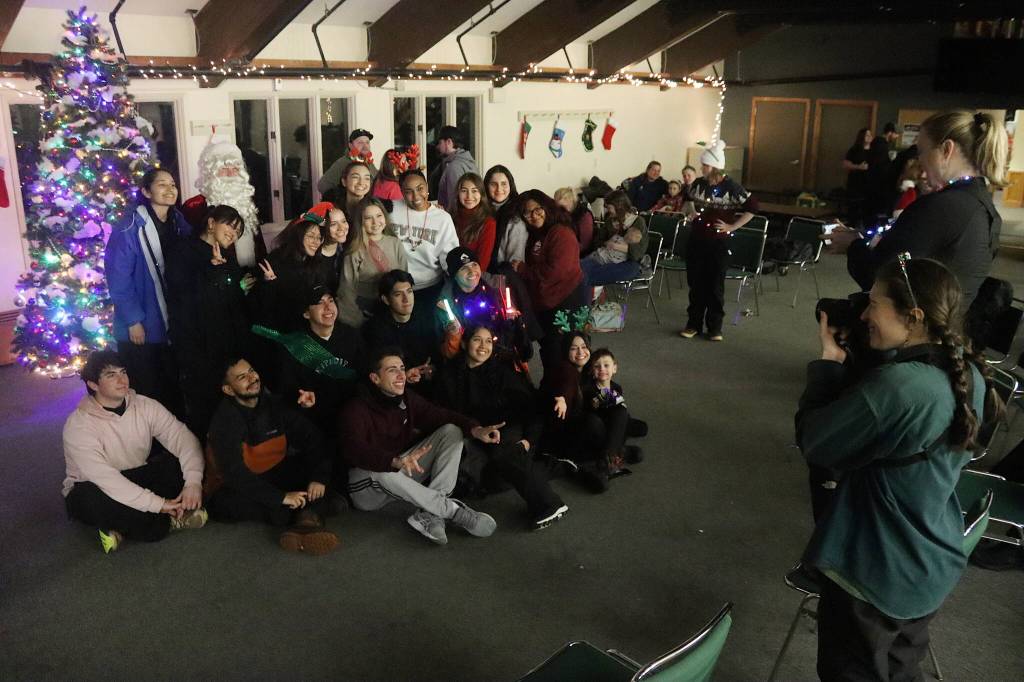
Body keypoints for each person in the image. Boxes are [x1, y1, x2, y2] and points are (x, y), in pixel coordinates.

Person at [796, 256, 994, 680]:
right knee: (901, 671)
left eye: (874, 304)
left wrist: (829, 364)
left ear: (913, 315)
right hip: (927, 562)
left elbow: (815, 442)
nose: (865, 313)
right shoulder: (966, 370)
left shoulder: (900, 386)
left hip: (873, 571)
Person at [832, 110, 1007, 307]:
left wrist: (852, 244)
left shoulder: (941, 207)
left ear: (946, 150)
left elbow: (879, 276)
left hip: (917, 329)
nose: (920, 160)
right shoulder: (981, 204)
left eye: (922, 151)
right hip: (949, 326)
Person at [339, 347, 501, 545]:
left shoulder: (406, 398)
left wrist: (475, 429)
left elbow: (440, 415)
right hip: (367, 489)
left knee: (452, 431)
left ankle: (429, 514)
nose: (401, 375)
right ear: (375, 378)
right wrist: (393, 461)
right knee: (381, 471)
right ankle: (451, 510)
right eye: (392, 370)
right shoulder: (356, 408)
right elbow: (353, 450)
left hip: (401, 468)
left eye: (401, 368)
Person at [62, 351, 206, 554]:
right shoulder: (78, 425)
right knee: (94, 502)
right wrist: (158, 504)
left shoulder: (145, 405)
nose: (122, 380)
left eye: (123, 372)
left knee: (185, 466)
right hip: (92, 486)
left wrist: (193, 482)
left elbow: (182, 438)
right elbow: (106, 478)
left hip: (135, 473)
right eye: (111, 375)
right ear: (93, 385)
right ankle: (167, 520)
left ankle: (122, 528)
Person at [435, 324, 568, 529]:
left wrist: (529, 439)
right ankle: (551, 466)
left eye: (489, 341)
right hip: (474, 432)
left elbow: (530, 405)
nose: (483, 346)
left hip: (508, 426)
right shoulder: (449, 373)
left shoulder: (502, 372)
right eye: (477, 339)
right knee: (489, 483)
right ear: (464, 343)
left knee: (503, 454)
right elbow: (441, 408)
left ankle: (550, 503)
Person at [206, 357, 338, 555]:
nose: (252, 378)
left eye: (251, 370)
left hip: (276, 469)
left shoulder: (273, 404)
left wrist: (319, 478)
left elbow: (312, 438)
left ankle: (303, 525)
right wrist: (281, 498)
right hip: (237, 484)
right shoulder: (225, 421)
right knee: (274, 510)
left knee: (325, 477)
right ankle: (307, 518)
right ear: (229, 390)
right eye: (242, 377)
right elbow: (235, 474)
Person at [165, 204, 255, 439]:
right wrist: (214, 274)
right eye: (230, 226)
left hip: (227, 344)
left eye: (238, 232)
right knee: (206, 407)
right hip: (199, 346)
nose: (233, 234)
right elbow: (184, 297)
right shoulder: (183, 252)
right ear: (212, 222)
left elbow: (233, 295)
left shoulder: (226, 256)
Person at [105, 168, 190, 413]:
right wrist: (133, 320)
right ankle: (149, 443)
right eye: (162, 184)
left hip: (170, 316)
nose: (170, 189)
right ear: (145, 191)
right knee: (147, 385)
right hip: (142, 321)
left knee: (171, 382)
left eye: (173, 184)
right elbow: (118, 277)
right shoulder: (130, 226)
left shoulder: (178, 221)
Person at [679, 140, 758, 342]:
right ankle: (693, 324)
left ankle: (714, 327)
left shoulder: (731, 187)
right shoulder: (698, 184)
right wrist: (692, 213)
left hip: (718, 243)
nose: (702, 168)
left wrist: (732, 226)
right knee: (696, 284)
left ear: (714, 166)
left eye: (705, 165)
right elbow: (686, 200)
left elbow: (752, 207)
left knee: (715, 285)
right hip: (697, 241)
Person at [510, 189, 584, 372]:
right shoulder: (538, 234)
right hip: (545, 305)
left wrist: (523, 269)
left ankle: (566, 396)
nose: (533, 216)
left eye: (537, 209)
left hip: (565, 301)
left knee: (565, 355)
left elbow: (555, 272)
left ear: (547, 206)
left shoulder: (562, 233)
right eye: (527, 213)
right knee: (550, 354)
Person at [277, 285, 364, 439]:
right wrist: (302, 399)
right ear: (306, 313)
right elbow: (288, 388)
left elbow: (365, 371)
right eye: (320, 302)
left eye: (331, 300)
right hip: (317, 419)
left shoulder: (351, 334)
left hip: (355, 412)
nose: (328, 307)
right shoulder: (295, 345)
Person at [540, 332, 621, 493]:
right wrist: (562, 398)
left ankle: (610, 452)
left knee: (623, 415)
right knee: (597, 421)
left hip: (579, 422)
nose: (580, 352)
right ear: (565, 351)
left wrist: (611, 393)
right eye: (574, 348)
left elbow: (610, 388)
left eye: (584, 347)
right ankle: (611, 454)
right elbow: (567, 385)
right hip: (560, 433)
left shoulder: (585, 370)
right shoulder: (565, 369)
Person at [181, 134, 266, 268]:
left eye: (235, 169)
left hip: (250, 278)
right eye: (224, 169)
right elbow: (190, 252)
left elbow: (259, 247)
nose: (231, 174)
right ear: (211, 173)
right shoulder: (195, 206)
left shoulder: (246, 204)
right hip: (216, 278)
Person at [436, 247, 531, 363]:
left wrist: (513, 323)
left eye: (474, 265)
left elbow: (516, 339)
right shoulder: (446, 306)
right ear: (454, 275)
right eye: (464, 268)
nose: (472, 271)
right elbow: (448, 355)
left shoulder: (497, 289)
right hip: (468, 365)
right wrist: (454, 335)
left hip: (502, 358)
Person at [388, 169, 460, 311]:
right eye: (408, 191)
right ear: (401, 192)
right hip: (398, 288)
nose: (416, 196)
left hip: (431, 289)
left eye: (420, 188)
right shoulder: (391, 209)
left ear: (427, 187)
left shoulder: (442, 218)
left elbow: (450, 259)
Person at [337, 197, 409, 327]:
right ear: (361, 221)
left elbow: (404, 279)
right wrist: (357, 319)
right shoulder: (355, 249)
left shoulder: (395, 243)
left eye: (379, 215)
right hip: (365, 312)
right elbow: (347, 289)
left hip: (393, 310)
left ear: (385, 217)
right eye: (368, 218)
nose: (375, 222)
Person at [363, 270, 441, 390]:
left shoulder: (425, 316)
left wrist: (433, 367)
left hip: (429, 380)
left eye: (409, 292)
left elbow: (436, 350)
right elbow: (379, 368)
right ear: (386, 300)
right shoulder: (376, 328)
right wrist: (406, 375)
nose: (406, 299)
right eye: (398, 295)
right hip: (397, 385)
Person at [256, 213, 325, 333]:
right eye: (311, 236)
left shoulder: (312, 262)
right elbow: (261, 304)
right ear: (298, 236)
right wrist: (268, 283)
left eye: (319, 237)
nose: (316, 242)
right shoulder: (275, 261)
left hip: (304, 327)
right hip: (278, 331)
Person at [581, 348, 648, 466]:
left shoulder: (616, 387)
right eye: (597, 366)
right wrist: (609, 398)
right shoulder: (589, 388)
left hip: (613, 423)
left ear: (614, 368)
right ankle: (611, 454)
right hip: (598, 424)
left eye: (606, 365)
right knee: (621, 413)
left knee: (642, 428)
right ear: (592, 370)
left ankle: (616, 449)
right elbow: (597, 404)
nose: (602, 369)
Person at [581, 189, 649, 287]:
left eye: (609, 207)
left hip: (628, 263)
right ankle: (590, 290)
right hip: (604, 255)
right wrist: (607, 243)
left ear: (619, 206)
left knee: (588, 275)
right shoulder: (610, 221)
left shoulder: (638, 222)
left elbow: (638, 253)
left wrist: (616, 246)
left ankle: (591, 292)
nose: (607, 210)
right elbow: (598, 241)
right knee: (579, 268)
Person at [484, 165, 528, 270]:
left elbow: (515, 262)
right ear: (486, 186)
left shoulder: (516, 219)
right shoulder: (481, 210)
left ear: (510, 185)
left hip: (502, 276)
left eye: (504, 184)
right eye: (493, 184)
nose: (499, 189)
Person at [453, 173, 497, 272]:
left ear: (481, 194)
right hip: (450, 273)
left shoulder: (488, 223)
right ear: (458, 193)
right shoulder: (451, 216)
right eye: (464, 191)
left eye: (474, 191)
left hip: (472, 278)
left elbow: (483, 263)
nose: (469, 196)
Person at [318, 127, 378, 195]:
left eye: (367, 142)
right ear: (351, 145)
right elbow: (322, 186)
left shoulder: (368, 162)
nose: (365, 146)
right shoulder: (343, 163)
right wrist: (343, 199)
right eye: (360, 142)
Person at [432, 125, 478, 212]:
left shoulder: (453, 167)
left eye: (440, 143)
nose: (437, 147)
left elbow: (454, 201)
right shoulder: (469, 162)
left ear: (449, 142)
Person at [307, 201, 349, 294]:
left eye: (344, 221)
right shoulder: (310, 255)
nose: (342, 227)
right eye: (333, 224)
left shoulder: (347, 251)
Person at [324, 160, 373, 226]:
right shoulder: (331, 210)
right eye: (355, 177)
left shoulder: (375, 208)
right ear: (344, 181)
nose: (361, 182)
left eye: (367, 178)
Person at [843, 128, 873, 226]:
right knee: (853, 209)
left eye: (870, 135)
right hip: (855, 183)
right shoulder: (854, 150)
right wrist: (858, 167)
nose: (870, 137)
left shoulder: (874, 150)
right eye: (867, 135)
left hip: (868, 183)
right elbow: (846, 164)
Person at [554, 187, 595, 254]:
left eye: (562, 207)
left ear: (570, 200)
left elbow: (585, 244)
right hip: (566, 246)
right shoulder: (561, 213)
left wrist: (564, 249)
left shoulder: (584, 215)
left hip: (580, 252)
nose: (559, 210)